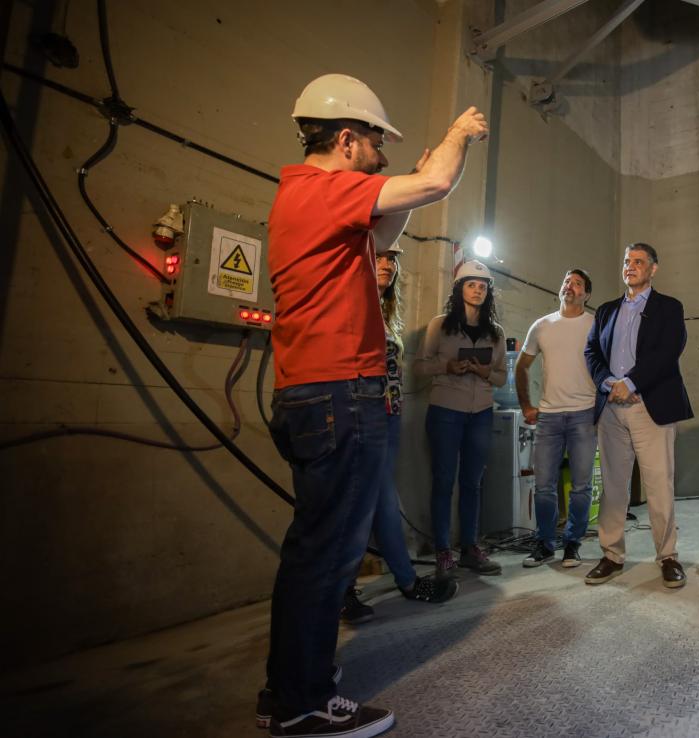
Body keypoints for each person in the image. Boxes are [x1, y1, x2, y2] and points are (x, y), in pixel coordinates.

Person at [260, 72, 487, 738]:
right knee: (328, 555)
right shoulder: (323, 188)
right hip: (337, 391)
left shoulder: (312, 204)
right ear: (348, 139)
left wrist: (417, 179)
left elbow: (383, 232)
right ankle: (301, 703)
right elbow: (438, 184)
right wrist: (456, 136)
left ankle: (289, 688)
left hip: (315, 391)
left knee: (316, 549)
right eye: (377, 146)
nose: (383, 157)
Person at [340, 241, 460, 626]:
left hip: (388, 415)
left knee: (380, 504)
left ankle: (398, 581)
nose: (389, 264)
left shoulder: (385, 313)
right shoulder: (349, 304)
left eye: (393, 259)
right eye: (382, 256)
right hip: (362, 415)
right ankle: (356, 589)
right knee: (368, 505)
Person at [582, 243, 694, 589]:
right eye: (628, 261)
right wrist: (607, 383)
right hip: (611, 408)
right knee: (614, 487)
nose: (631, 266)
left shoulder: (669, 308)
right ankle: (611, 555)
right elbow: (592, 351)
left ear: (653, 269)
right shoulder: (606, 310)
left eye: (639, 262)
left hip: (650, 405)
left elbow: (668, 350)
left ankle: (668, 557)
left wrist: (631, 382)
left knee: (659, 484)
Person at [417, 259, 507, 577]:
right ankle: (444, 550)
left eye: (483, 287)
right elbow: (421, 366)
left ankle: (469, 547)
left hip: (480, 413)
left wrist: (484, 371)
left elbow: (501, 378)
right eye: (472, 285)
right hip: (445, 410)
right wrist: (448, 367)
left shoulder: (495, 333)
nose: (478, 290)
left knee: (473, 481)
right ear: (460, 289)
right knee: (444, 481)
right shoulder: (440, 325)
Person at [516, 269, 597, 569]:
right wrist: (527, 405)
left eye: (577, 284)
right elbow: (522, 366)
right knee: (545, 485)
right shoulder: (542, 326)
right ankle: (545, 544)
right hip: (548, 417)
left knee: (581, 486)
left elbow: (609, 365)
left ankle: (572, 544)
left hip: (584, 414)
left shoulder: (595, 324)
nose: (570, 286)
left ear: (587, 294)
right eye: (566, 281)